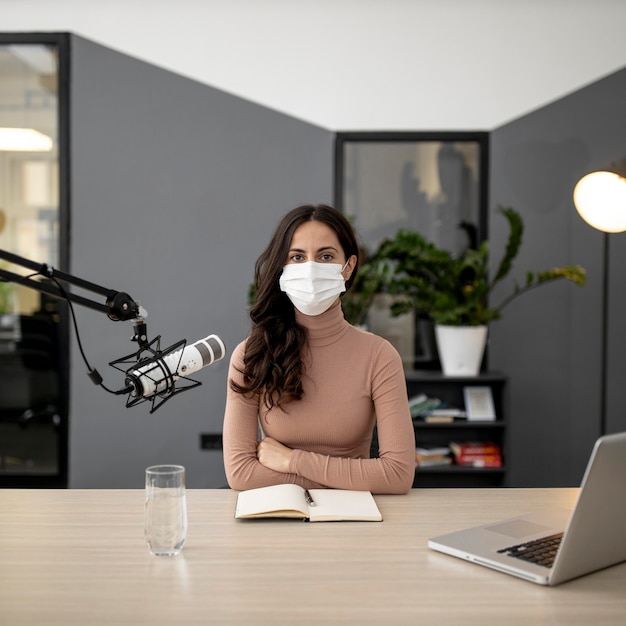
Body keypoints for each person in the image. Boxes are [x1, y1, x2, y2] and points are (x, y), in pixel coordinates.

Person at [222, 204, 415, 494]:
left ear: (348, 267)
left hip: (354, 520)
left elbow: (398, 474)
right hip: (277, 521)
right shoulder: (251, 355)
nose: (310, 269)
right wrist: (350, 478)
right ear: (282, 270)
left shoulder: (379, 356)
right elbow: (240, 474)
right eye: (297, 257)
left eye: (325, 256)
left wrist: (291, 460)